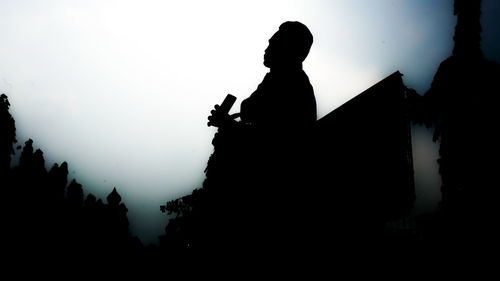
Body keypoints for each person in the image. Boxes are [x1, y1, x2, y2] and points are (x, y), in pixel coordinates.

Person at [205, 21, 317, 255]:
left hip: (269, 197)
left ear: (290, 49)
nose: (268, 45)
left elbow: (275, 142)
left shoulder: (292, 83)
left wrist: (229, 126)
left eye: (275, 41)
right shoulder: (275, 80)